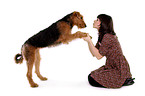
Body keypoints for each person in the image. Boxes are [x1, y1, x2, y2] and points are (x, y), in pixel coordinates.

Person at [83, 14, 135, 88]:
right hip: (111, 65)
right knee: (91, 75)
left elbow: (98, 56)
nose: (94, 21)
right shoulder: (102, 36)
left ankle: (124, 79)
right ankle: (124, 79)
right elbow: (94, 53)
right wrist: (88, 42)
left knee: (92, 79)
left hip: (118, 68)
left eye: (97, 20)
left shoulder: (107, 37)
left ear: (102, 23)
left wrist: (89, 41)